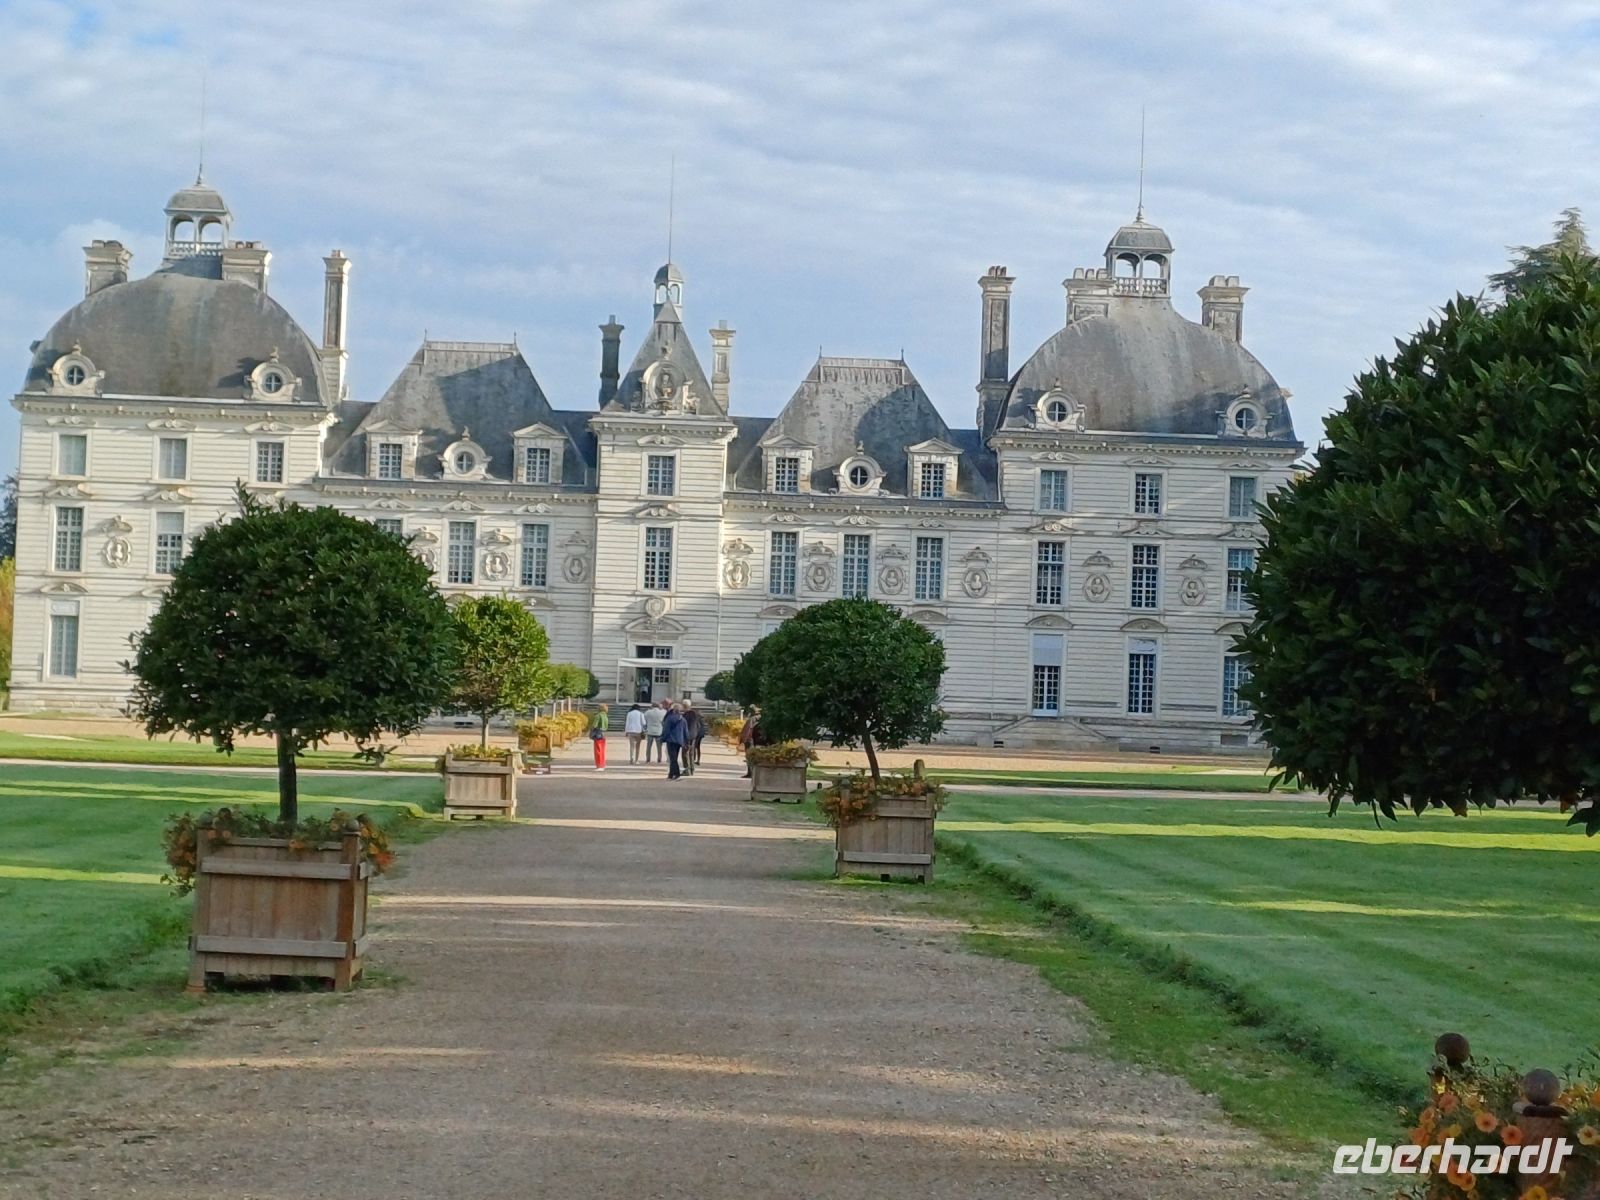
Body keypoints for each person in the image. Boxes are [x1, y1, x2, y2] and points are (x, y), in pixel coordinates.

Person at [661, 702, 687, 781]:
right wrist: (686, 741)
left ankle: (676, 773)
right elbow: (685, 731)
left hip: (671, 740)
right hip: (679, 740)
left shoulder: (669, 718)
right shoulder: (683, 719)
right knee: (674, 757)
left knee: (673, 758)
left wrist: (663, 738)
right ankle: (671, 774)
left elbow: (666, 729)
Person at [681, 701, 704, 775]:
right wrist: (696, 733)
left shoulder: (685, 715)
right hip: (694, 736)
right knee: (691, 753)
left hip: (687, 736)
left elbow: (683, 727)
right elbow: (699, 726)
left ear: (684, 706)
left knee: (684, 753)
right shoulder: (695, 714)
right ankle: (692, 769)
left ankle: (687, 770)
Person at [739, 705, 762, 778]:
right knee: (751, 757)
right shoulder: (759, 718)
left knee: (749, 757)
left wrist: (744, 739)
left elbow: (749, 729)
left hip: (750, 740)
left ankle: (751, 773)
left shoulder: (752, 719)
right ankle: (751, 773)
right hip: (755, 740)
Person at [590, 703, 609, 771]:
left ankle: (599, 765)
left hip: (598, 733)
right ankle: (602, 764)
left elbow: (594, 725)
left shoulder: (598, 716)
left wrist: (591, 730)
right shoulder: (605, 716)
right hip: (603, 734)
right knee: (602, 750)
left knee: (597, 750)